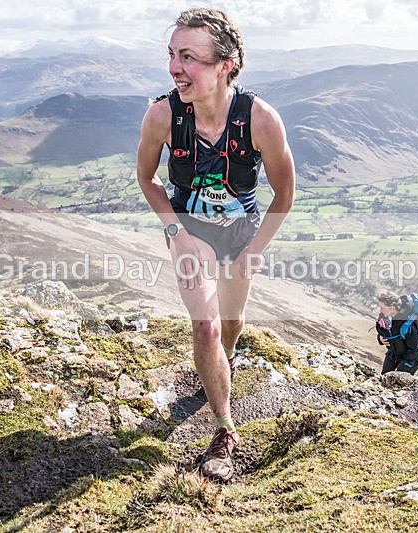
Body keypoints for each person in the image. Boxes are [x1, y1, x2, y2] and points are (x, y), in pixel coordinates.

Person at [136, 8, 295, 481]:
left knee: (229, 323)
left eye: (189, 57)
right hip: (191, 233)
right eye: (172, 55)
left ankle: (220, 362)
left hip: (240, 234)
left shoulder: (260, 120)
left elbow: (284, 196)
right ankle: (225, 431)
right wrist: (176, 234)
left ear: (227, 64)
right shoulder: (163, 115)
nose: (175, 68)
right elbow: (147, 178)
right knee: (205, 328)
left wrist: (255, 249)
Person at [375, 290, 418, 375]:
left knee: (398, 382)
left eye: (382, 308)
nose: (380, 310)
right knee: (384, 377)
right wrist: (380, 338)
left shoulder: (408, 324)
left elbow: (414, 351)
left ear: (392, 308)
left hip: (411, 357)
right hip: (394, 353)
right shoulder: (385, 316)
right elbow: (384, 331)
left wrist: (402, 368)